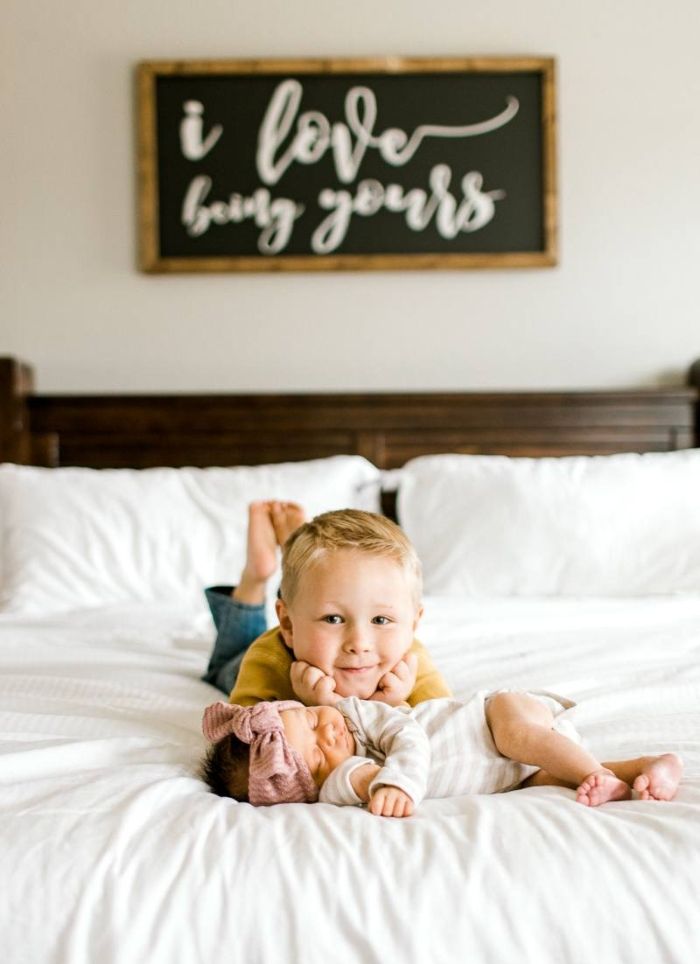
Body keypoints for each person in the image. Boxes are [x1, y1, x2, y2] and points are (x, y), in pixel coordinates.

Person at [201, 693, 684, 815]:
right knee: (545, 781)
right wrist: (376, 786)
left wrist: (400, 782)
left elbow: (407, 735)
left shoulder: (355, 713)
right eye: (318, 752)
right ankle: (644, 769)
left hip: (496, 716)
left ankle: (596, 771)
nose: (327, 731)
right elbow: (360, 784)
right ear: (308, 786)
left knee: (519, 736)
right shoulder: (336, 785)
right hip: (509, 775)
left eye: (309, 718)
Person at [201, 502, 451, 707]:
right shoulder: (266, 661)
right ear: (287, 624)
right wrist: (312, 708)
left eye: (381, 620)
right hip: (247, 660)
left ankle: (297, 552)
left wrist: (394, 706)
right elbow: (241, 741)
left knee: (307, 591)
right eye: (333, 619)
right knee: (226, 664)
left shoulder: (410, 662)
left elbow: (448, 725)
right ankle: (255, 578)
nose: (359, 644)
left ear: (413, 625)